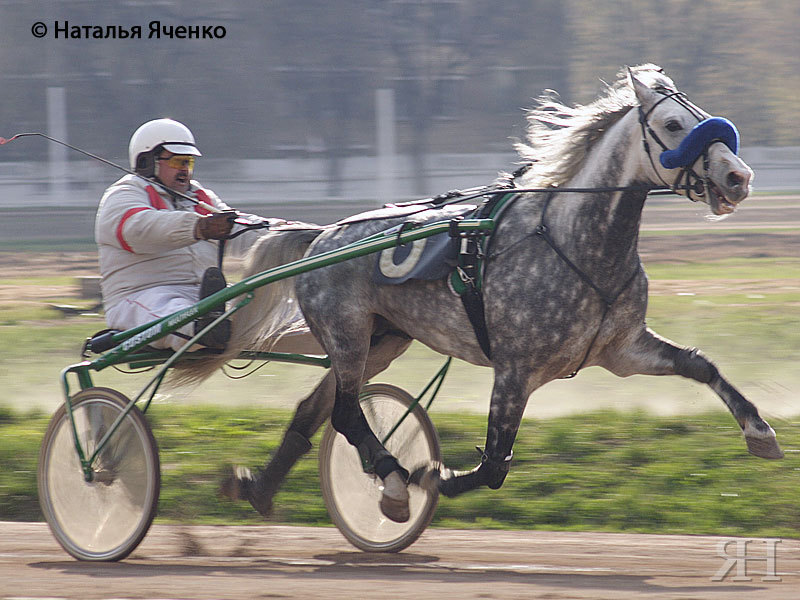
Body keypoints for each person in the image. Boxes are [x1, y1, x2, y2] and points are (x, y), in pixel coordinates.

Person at [95, 118, 255, 350]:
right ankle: (205, 328)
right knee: (178, 313)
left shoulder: (200, 197)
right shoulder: (123, 195)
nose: (184, 169)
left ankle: (214, 324)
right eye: (178, 161)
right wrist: (200, 228)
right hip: (140, 298)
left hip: (203, 298)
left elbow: (242, 226)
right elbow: (140, 229)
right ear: (147, 162)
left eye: (188, 162)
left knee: (260, 310)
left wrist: (302, 235)